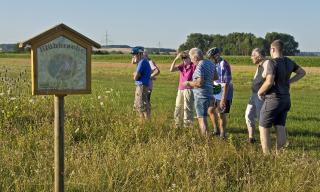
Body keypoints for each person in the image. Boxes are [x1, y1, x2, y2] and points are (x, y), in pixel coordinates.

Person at [258, 40, 306, 154]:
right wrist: (289, 81)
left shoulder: (272, 62)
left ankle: (267, 156)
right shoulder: (289, 61)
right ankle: (281, 155)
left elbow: (269, 82)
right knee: (280, 126)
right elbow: (302, 72)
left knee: (263, 126)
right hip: (286, 99)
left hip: (273, 99)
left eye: (270, 49)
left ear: (273, 49)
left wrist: (260, 92)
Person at [183, 48, 217, 136]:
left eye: (191, 58)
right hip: (210, 93)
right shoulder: (210, 63)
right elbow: (216, 77)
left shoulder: (199, 66)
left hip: (201, 95)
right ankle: (211, 134)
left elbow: (199, 83)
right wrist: (207, 79)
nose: (191, 60)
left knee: (202, 118)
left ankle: (205, 141)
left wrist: (188, 83)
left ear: (195, 57)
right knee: (206, 116)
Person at [245, 48, 274, 144]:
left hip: (260, 96)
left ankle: (264, 141)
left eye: (253, 55)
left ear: (259, 56)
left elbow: (269, 79)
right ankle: (251, 138)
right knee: (248, 115)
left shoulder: (267, 63)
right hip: (253, 95)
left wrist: (261, 92)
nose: (251, 57)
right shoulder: (259, 66)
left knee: (261, 120)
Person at [207, 47, 233, 139]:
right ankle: (216, 130)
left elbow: (226, 83)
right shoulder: (214, 64)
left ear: (216, 55)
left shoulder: (224, 64)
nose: (210, 59)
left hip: (224, 93)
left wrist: (223, 99)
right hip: (215, 91)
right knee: (210, 110)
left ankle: (223, 134)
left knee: (221, 114)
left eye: (211, 57)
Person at [170, 51, 196, 128]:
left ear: (189, 58)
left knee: (187, 108)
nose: (184, 59)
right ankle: (177, 125)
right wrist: (176, 59)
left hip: (189, 89)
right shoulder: (182, 66)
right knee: (178, 106)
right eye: (182, 58)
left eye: (186, 58)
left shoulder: (193, 66)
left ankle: (188, 126)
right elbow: (171, 70)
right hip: (180, 89)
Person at [131, 46, 152, 120]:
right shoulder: (143, 61)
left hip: (141, 86)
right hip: (142, 85)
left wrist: (134, 74)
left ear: (140, 54)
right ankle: (144, 122)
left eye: (135, 54)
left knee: (141, 106)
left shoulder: (142, 62)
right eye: (132, 54)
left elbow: (135, 77)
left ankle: (144, 124)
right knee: (141, 105)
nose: (133, 56)